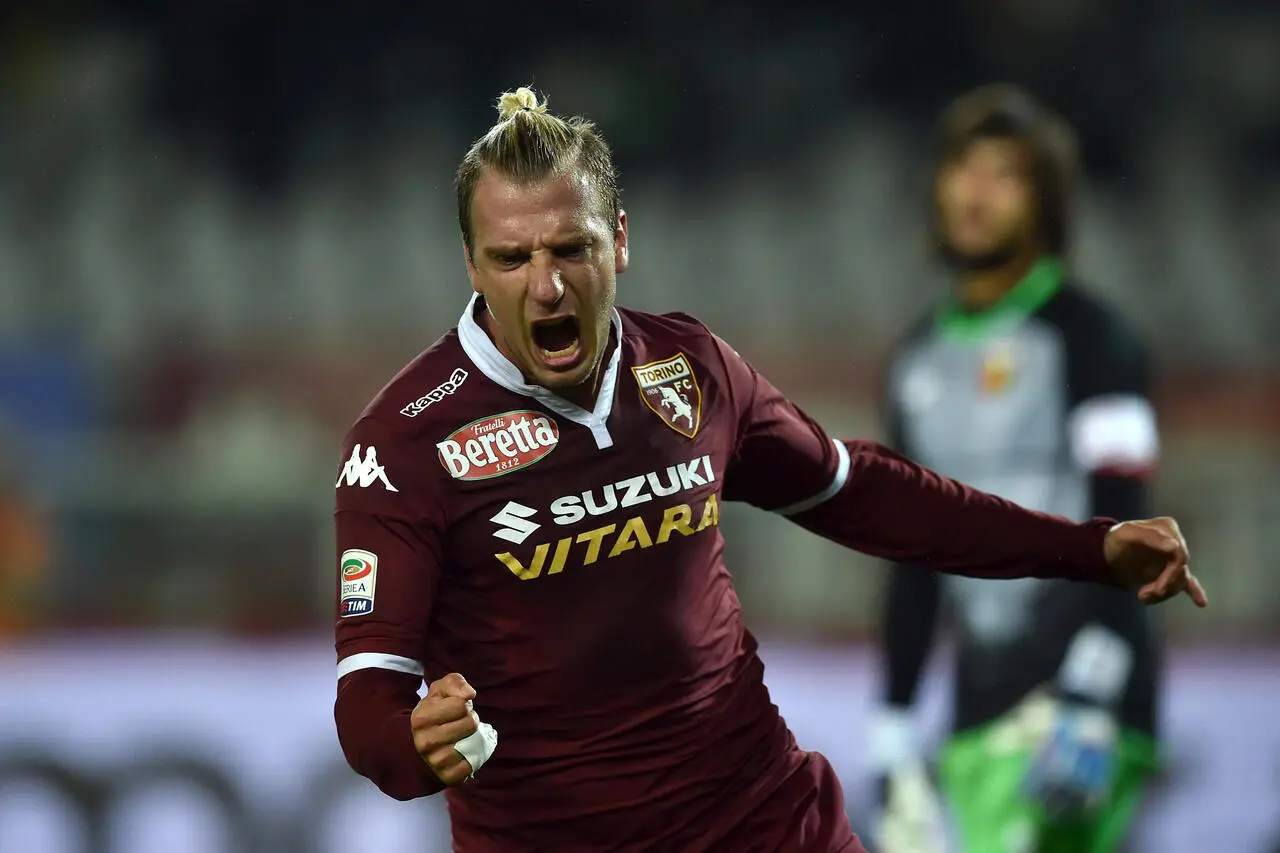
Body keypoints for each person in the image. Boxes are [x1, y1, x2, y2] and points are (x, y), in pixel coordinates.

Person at [333, 86, 1205, 853]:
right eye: (512, 259)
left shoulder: (690, 368)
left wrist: (1089, 548)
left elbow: (864, 493)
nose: (548, 288)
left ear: (621, 241)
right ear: (471, 265)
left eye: (570, 248)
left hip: (762, 818)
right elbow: (368, 705)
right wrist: (417, 747)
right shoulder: (407, 443)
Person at [869, 84, 1168, 853]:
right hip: (978, 702)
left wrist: (1092, 692)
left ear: (1048, 202)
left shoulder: (1095, 339)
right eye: (964, 168)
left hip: (1081, 690)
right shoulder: (914, 362)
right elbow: (913, 555)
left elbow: (1125, 517)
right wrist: (893, 724)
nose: (977, 191)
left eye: (1007, 173)